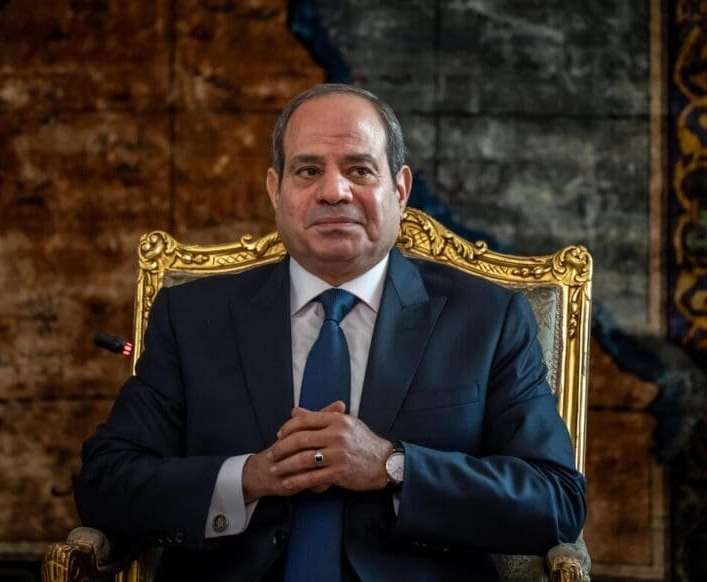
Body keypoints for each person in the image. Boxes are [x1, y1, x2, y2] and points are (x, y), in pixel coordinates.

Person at [75, 84, 586, 581]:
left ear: (400, 189)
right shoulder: (191, 319)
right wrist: (246, 479)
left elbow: (556, 499)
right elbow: (106, 481)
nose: (334, 190)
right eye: (308, 170)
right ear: (276, 190)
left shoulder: (488, 321)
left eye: (360, 169)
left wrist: (394, 466)